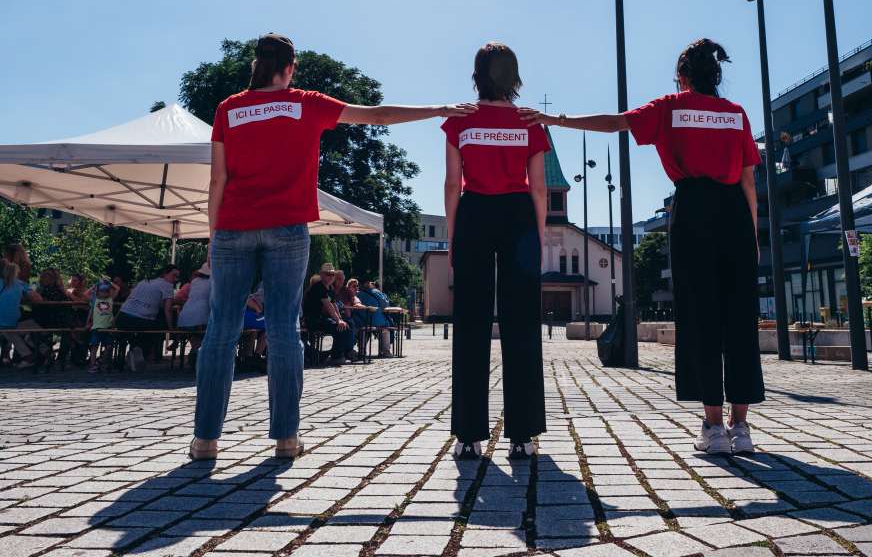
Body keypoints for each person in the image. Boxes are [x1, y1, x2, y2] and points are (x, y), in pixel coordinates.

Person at [191, 32, 474, 461]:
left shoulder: (228, 108)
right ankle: (286, 439)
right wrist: (438, 109)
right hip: (287, 228)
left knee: (222, 329)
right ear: (289, 68)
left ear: (256, 66)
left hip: (233, 228)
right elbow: (377, 117)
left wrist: (214, 236)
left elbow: (218, 179)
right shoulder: (305, 102)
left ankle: (206, 440)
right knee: (285, 329)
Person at [522, 38, 764, 455]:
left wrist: (555, 119)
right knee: (739, 319)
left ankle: (713, 428)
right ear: (716, 74)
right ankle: (741, 428)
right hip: (736, 218)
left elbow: (614, 122)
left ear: (683, 76)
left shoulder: (671, 107)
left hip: (692, 211)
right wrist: (753, 236)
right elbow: (748, 184)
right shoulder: (736, 115)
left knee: (701, 316)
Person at [442, 42, 549, 462]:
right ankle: (522, 435)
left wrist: (454, 236)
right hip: (519, 216)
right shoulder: (529, 123)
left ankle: (468, 435)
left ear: (478, 74)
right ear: (514, 76)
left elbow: (453, 184)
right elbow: (538, 185)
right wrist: (536, 236)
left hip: (474, 214)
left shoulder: (460, 120)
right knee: (521, 323)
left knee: (471, 322)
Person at [116, 264, 178, 370]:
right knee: (158, 327)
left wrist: (115, 320)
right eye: (174, 275)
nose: (176, 279)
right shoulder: (167, 285)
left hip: (123, 318)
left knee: (139, 329)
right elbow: (168, 310)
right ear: (165, 274)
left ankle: (134, 350)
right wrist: (172, 329)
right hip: (140, 320)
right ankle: (142, 351)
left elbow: (128, 300)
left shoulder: (144, 281)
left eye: (177, 276)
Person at [303, 264, 353, 365]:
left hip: (322, 319)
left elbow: (334, 305)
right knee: (338, 327)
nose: (331, 277)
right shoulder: (318, 287)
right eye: (328, 274)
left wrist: (340, 319)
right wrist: (338, 321)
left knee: (347, 325)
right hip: (313, 320)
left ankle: (344, 352)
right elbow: (328, 305)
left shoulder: (329, 288)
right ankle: (336, 356)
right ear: (321, 275)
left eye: (333, 274)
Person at [0, 260, 41, 368]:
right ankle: (41, 352)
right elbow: (37, 298)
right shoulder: (20, 284)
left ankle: (30, 355)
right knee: (27, 328)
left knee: (10, 331)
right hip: (13, 320)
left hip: (6, 322)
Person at [86, 280, 117, 372]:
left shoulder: (110, 299)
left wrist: (110, 283)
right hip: (96, 327)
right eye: (102, 291)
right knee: (94, 346)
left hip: (108, 327)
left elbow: (117, 289)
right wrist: (95, 285)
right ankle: (92, 365)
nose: (104, 293)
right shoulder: (95, 300)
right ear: (98, 291)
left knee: (109, 346)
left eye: (106, 291)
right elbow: (86, 294)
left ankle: (100, 362)